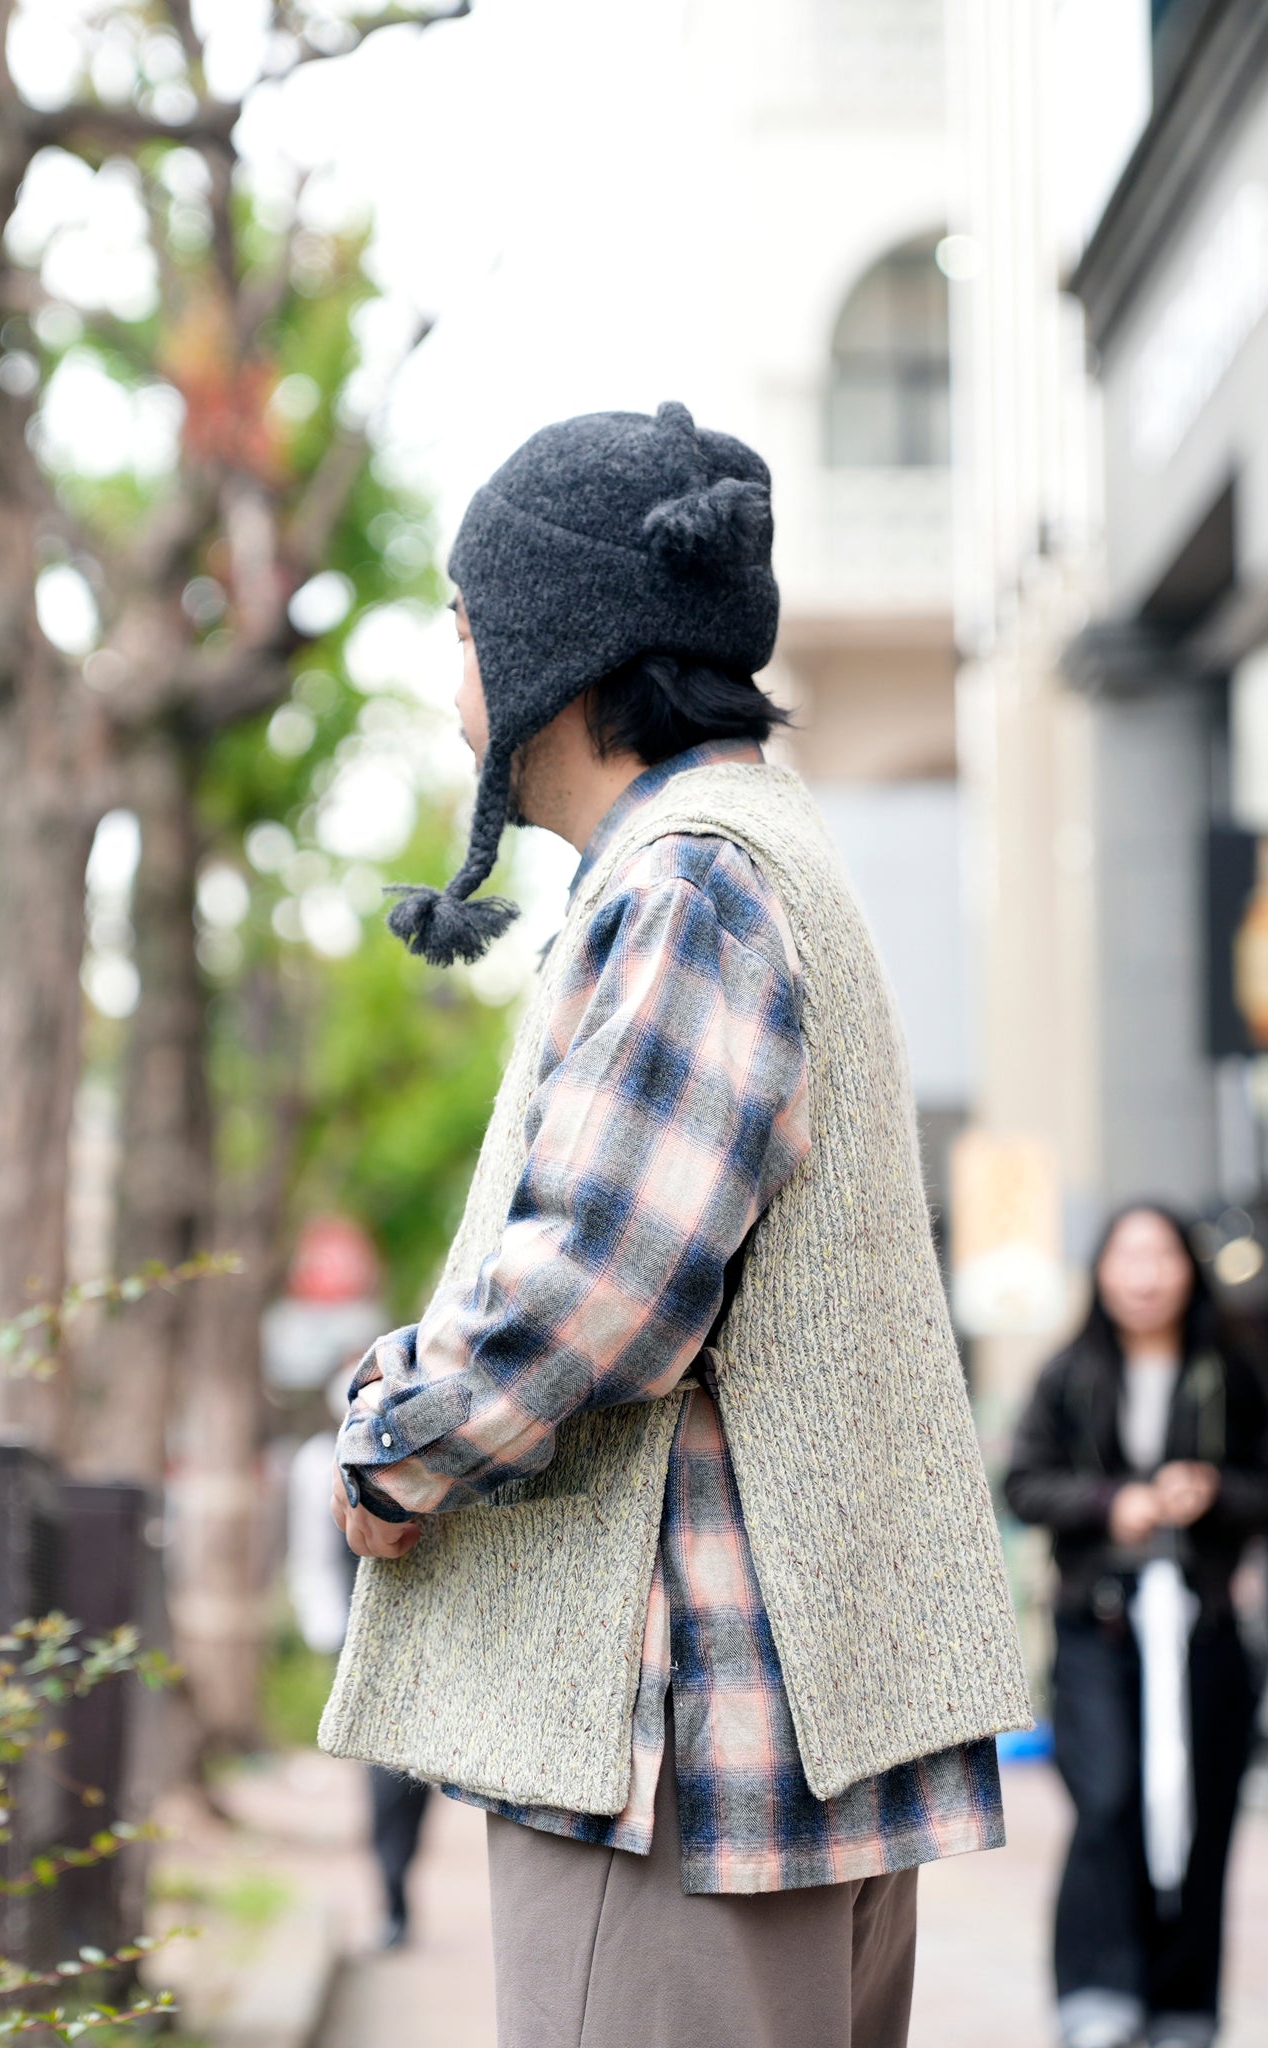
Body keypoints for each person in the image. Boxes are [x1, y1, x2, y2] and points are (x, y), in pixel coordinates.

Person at [313, 402, 1032, 2048]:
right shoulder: (759, 850)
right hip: (779, 1728)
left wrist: (390, 1443)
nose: (452, 671)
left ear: (560, 643)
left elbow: (601, 1283)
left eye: (462, 624)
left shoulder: (687, 878)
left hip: (671, 1747)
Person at [1006, 1204, 1268, 2048]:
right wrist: (1112, 1504)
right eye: (1127, 1257)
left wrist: (1212, 1494)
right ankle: (1097, 1991)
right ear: (1101, 1272)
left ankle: (1184, 2006)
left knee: (1206, 1809)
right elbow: (1025, 1484)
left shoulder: (1232, 1369)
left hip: (1205, 1623)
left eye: (1161, 1256)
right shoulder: (1068, 1372)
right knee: (1107, 1800)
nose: (1144, 1276)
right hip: (1098, 1623)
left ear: (1189, 1270)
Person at [286, 1371, 433, 1950]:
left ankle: (399, 1878)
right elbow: (311, 1553)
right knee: (384, 1767)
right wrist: (332, 1634)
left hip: (429, 1624)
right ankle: (392, 1892)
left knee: (418, 1771)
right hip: (359, 1629)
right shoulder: (317, 1461)